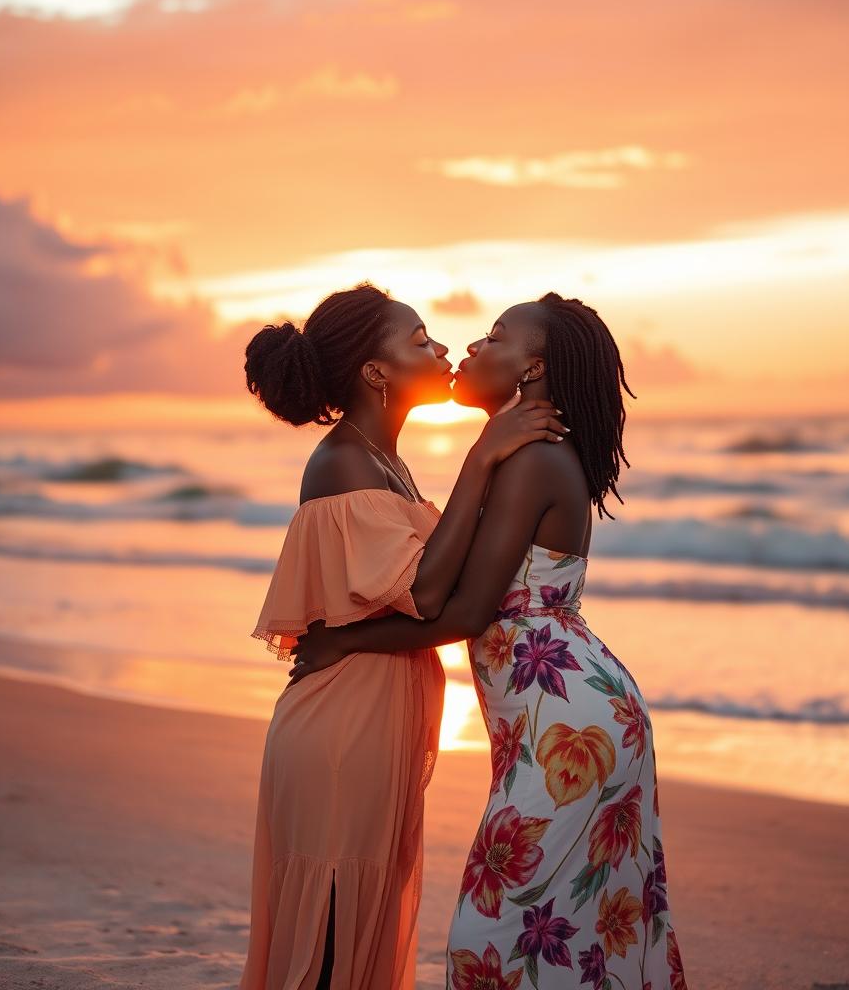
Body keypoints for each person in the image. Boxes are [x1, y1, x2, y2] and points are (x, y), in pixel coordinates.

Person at [290, 293, 688, 989]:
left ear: (532, 368)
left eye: (494, 337)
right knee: (578, 938)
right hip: (568, 716)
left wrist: (345, 642)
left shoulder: (530, 458)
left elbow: (467, 610)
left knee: (492, 936)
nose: (470, 347)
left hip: (568, 729)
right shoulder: (520, 453)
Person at [237, 282, 568, 990]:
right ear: (375, 372)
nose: (443, 347)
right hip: (340, 731)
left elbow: (438, 584)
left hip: (368, 721)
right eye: (419, 341)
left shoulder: (385, 461)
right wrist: (482, 458)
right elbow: (423, 595)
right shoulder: (344, 464)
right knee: (330, 934)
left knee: (358, 919)